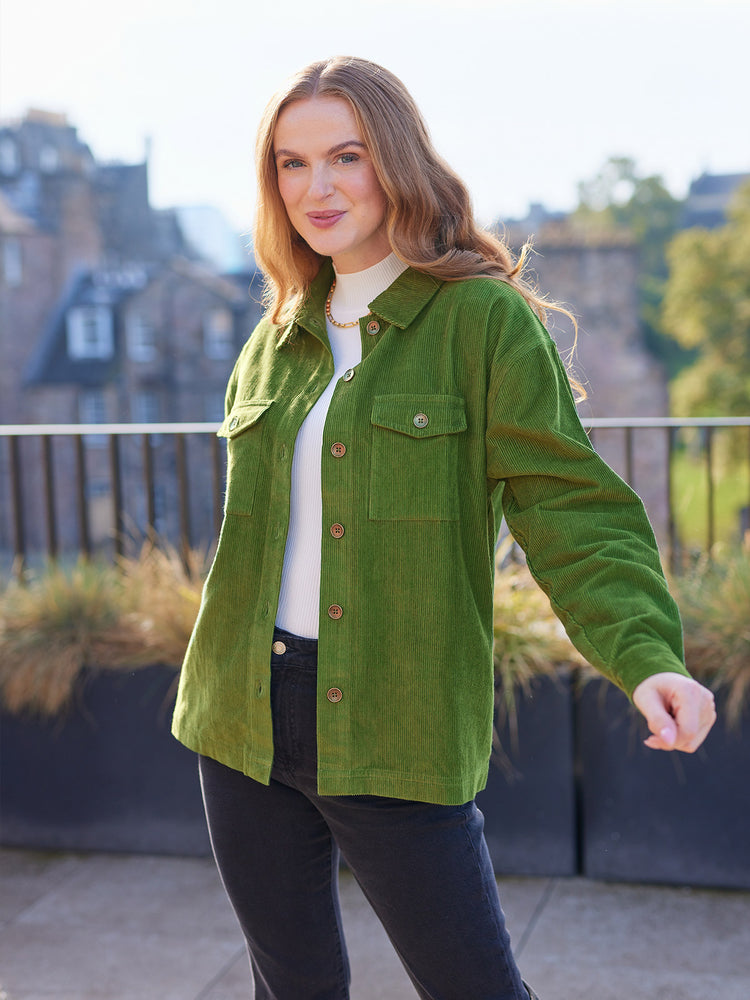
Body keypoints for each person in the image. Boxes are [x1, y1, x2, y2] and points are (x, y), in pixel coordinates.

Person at [172, 56, 716, 1000]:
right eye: (291, 165)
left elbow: (570, 505)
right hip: (240, 721)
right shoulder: (274, 335)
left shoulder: (482, 322)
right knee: (289, 987)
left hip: (399, 719)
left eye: (346, 155)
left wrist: (647, 654)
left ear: (396, 160)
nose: (319, 187)